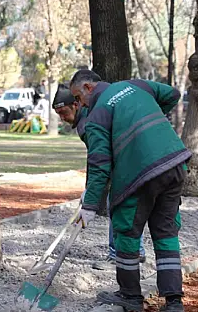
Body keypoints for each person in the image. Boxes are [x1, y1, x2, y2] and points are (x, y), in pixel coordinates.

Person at [68, 70, 190, 312]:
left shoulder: (98, 115)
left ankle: (130, 296)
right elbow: (173, 94)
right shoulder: (138, 85)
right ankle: (174, 301)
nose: (80, 105)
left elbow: (100, 163)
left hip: (139, 174)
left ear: (89, 87)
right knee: (166, 233)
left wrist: (90, 205)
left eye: (78, 98)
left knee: (126, 231)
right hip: (174, 163)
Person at [51, 84, 146, 270]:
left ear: (76, 105)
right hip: (131, 162)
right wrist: (89, 188)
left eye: (64, 112)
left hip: (127, 164)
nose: (62, 118)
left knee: (117, 204)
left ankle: (118, 255)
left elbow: (99, 158)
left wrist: (92, 195)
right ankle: (136, 251)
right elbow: (94, 157)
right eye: (58, 115)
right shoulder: (86, 119)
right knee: (121, 205)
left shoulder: (89, 122)